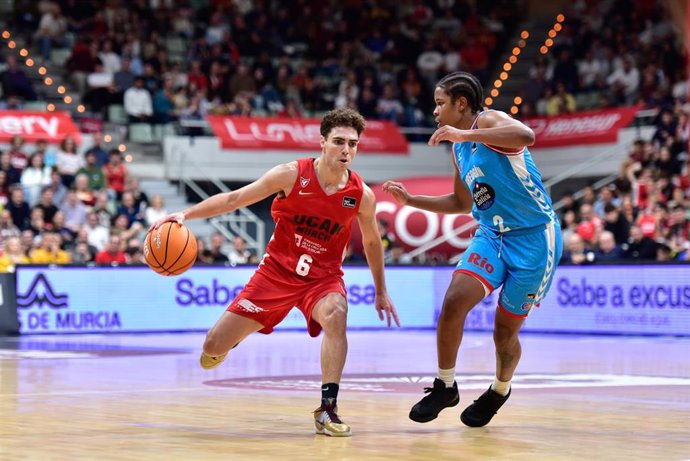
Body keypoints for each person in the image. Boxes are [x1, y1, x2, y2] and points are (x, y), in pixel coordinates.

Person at [151, 108, 399, 437]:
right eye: (339, 142)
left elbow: (371, 242)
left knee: (337, 312)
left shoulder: (361, 195)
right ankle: (228, 344)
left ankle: (328, 409)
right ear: (322, 142)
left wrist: (380, 289)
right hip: (275, 274)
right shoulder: (291, 175)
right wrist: (184, 214)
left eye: (352, 144)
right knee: (212, 345)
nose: (346, 150)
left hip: (322, 280)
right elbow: (234, 199)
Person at [383, 71, 562, 428]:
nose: (434, 112)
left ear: (461, 104)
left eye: (439, 104)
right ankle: (445, 385)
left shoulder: (488, 121)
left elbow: (526, 135)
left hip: (534, 239)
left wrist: (465, 132)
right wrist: (411, 200)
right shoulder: (459, 149)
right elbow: (461, 202)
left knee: (503, 333)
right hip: (492, 235)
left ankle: (499, 389)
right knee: (452, 302)